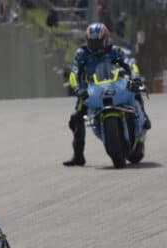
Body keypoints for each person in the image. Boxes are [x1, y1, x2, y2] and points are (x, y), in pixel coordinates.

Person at [64, 23, 150, 166]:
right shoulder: (82, 54)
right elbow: (74, 72)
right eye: (91, 42)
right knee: (76, 117)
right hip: (91, 90)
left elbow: (130, 63)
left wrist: (134, 77)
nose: (94, 45)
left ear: (105, 39)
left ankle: (144, 119)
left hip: (116, 84)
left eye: (97, 42)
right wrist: (77, 88)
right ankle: (78, 155)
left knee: (135, 89)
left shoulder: (114, 51)